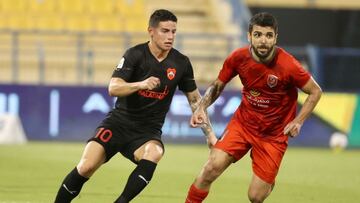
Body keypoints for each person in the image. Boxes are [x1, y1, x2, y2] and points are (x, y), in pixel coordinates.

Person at [54, 9, 217, 203]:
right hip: (118, 124)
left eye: (174, 31)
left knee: (155, 152)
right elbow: (113, 87)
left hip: (147, 131)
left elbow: (195, 100)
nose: (170, 36)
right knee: (86, 167)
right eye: (165, 31)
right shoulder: (135, 54)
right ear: (151, 31)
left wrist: (210, 135)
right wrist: (140, 84)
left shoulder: (181, 62)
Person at [185, 12, 322, 203]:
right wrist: (201, 107)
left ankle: (267, 182)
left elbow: (315, 91)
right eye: (258, 35)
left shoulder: (289, 65)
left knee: (255, 197)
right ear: (249, 36)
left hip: (273, 135)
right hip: (243, 125)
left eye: (268, 35)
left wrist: (298, 121)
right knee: (210, 168)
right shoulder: (238, 58)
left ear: (276, 37)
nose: (263, 41)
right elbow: (218, 85)